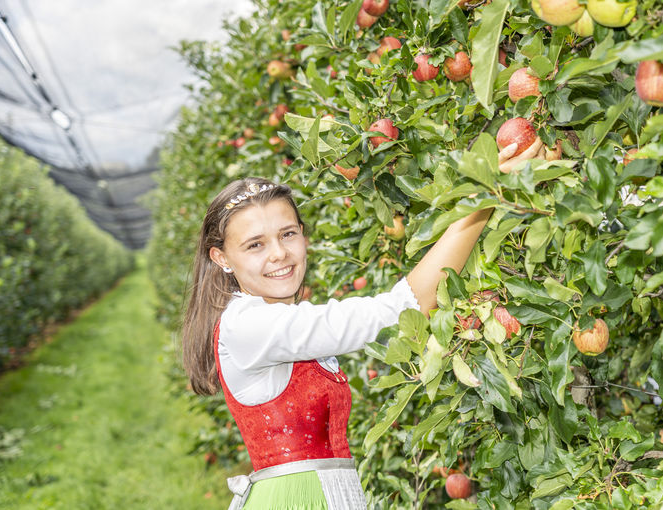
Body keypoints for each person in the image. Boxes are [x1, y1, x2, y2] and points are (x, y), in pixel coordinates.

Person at [181, 140, 542, 509]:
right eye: (255, 245)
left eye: (288, 234)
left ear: (304, 235)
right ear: (221, 257)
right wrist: (483, 197)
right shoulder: (249, 325)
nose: (279, 253)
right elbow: (401, 309)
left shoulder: (274, 320)